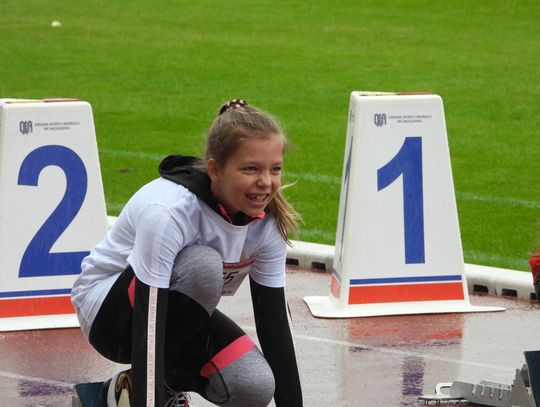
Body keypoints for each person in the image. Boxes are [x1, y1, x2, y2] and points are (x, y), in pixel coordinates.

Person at [71, 99, 304, 407]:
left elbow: (273, 326)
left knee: (254, 384)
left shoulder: (267, 223)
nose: (265, 182)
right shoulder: (170, 212)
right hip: (110, 317)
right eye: (250, 169)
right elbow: (149, 321)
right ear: (214, 170)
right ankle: (144, 392)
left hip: (177, 319)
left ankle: (117, 391)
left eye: (275, 169)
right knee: (203, 265)